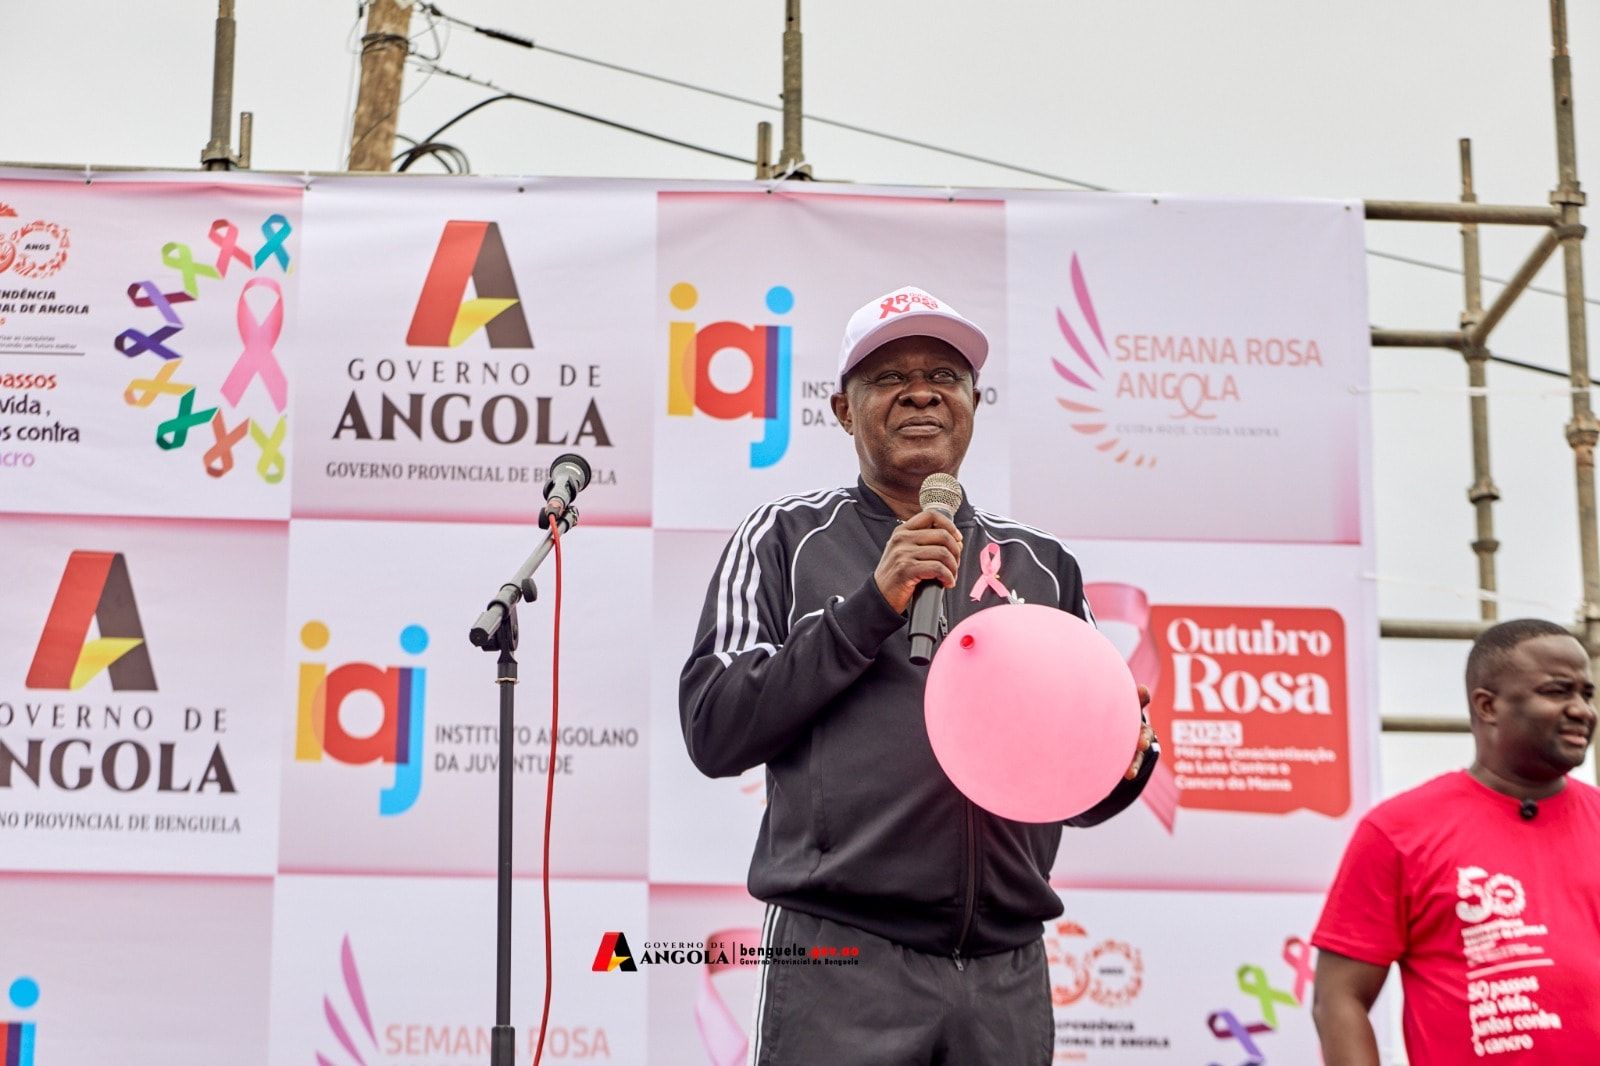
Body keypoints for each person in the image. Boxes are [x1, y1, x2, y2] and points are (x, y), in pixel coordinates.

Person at [679, 285, 1158, 1065]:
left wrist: (1122, 756)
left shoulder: (1043, 564)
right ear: (842, 409)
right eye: (888, 378)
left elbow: (1079, 794)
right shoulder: (782, 538)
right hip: (841, 960)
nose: (922, 391)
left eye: (945, 373)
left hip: (1005, 971)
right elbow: (713, 727)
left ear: (973, 400)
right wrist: (869, 608)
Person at [1311, 618, 1600, 1064]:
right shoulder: (1399, 830)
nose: (1582, 709)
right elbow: (1339, 998)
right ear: (1487, 706)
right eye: (1558, 691)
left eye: (1587, 693)